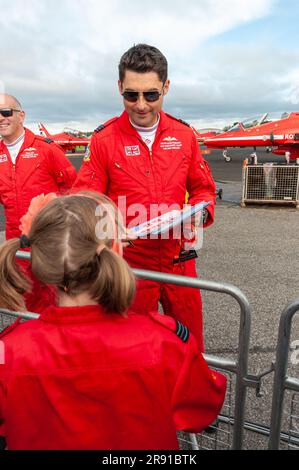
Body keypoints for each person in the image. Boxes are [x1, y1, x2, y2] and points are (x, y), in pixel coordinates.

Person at [0, 191, 226, 450]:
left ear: (42, 260)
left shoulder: (9, 349)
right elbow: (202, 409)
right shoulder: (163, 340)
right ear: (114, 251)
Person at [73, 44, 216, 351]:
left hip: (180, 261)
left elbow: (204, 188)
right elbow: (84, 199)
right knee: (132, 351)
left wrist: (200, 213)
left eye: (151, 95)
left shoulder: (184, 135)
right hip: (130, 266)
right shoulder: (103, 140)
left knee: (190, 348)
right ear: (119, 88)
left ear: (166, 87)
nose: (140, 105)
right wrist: (108, 228)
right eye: (131, 95)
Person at [0, 93, 77, 311]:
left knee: (56, 296)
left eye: (6, 112)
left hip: (51, 239)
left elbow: (73, 189)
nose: (1, 118)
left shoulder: (47, 149)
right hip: (17, 242)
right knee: (25, 295)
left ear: (21, 116)